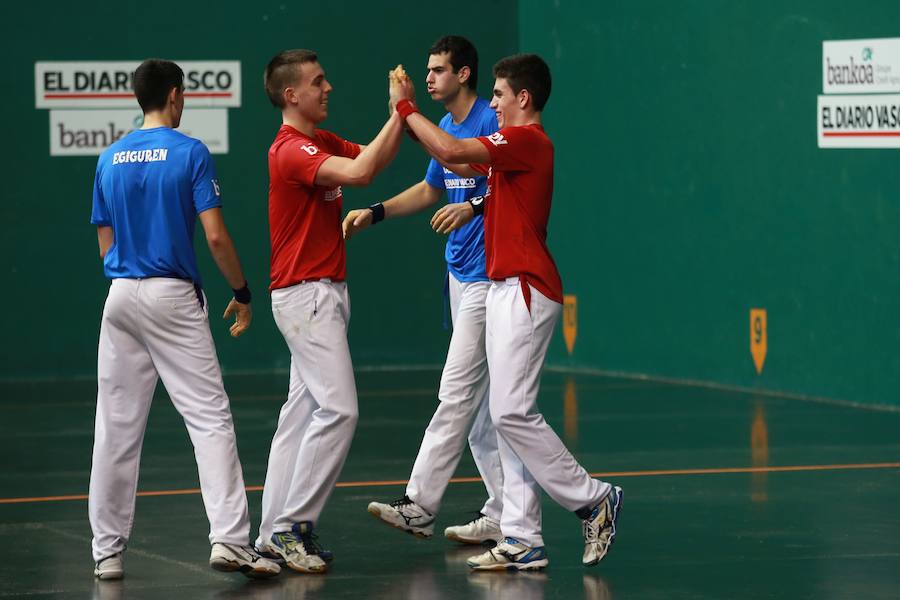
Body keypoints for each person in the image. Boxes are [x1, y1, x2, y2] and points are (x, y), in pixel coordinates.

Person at [391, 53, 623, 570]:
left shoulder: (527, 141)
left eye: (498, 95)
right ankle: (522, 537)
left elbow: (452, 147)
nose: (492, 103)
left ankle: (593, 498)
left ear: (523, 97)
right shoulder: (507, 149)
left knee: (512, 412)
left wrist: (406, 108)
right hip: (500, 288)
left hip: (526, 288)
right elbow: (454, 162)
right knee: (506, 416)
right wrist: (410, 126)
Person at [88, 59, 280, 580]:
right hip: (172, 295)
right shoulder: (190, 152)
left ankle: (106, 552)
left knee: (115, 427)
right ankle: (231, 540)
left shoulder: (108, 158)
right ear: (174, 95)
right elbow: (215, 236)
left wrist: (130, 276)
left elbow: (105, 241)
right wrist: (241, 291)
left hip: (120, 295)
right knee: (209, 418)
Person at [345, 35, 504, 546]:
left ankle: (420, 503)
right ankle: (504, 511)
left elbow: (481, 171)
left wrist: (406, 111)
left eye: (438, 69)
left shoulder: (490, 120)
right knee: (480, 409)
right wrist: (377, 212)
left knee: (456, 391)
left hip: (489, 277)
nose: (430, 76)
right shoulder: (447, 128)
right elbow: (433, 187)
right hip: (459, 275)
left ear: (463, 74)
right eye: (428, 70)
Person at [255, 49, 404, 574]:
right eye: (318, 82)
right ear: (290, 94)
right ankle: (292, 526)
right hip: (306, 296)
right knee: (340, 410)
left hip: (321, 295)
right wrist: (402, 112)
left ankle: (271, 534)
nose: (328, 88)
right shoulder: (290, 150)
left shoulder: (320, 141)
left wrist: (400, 116)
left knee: (299, 417)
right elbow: (361, 173)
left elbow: (373, 160)